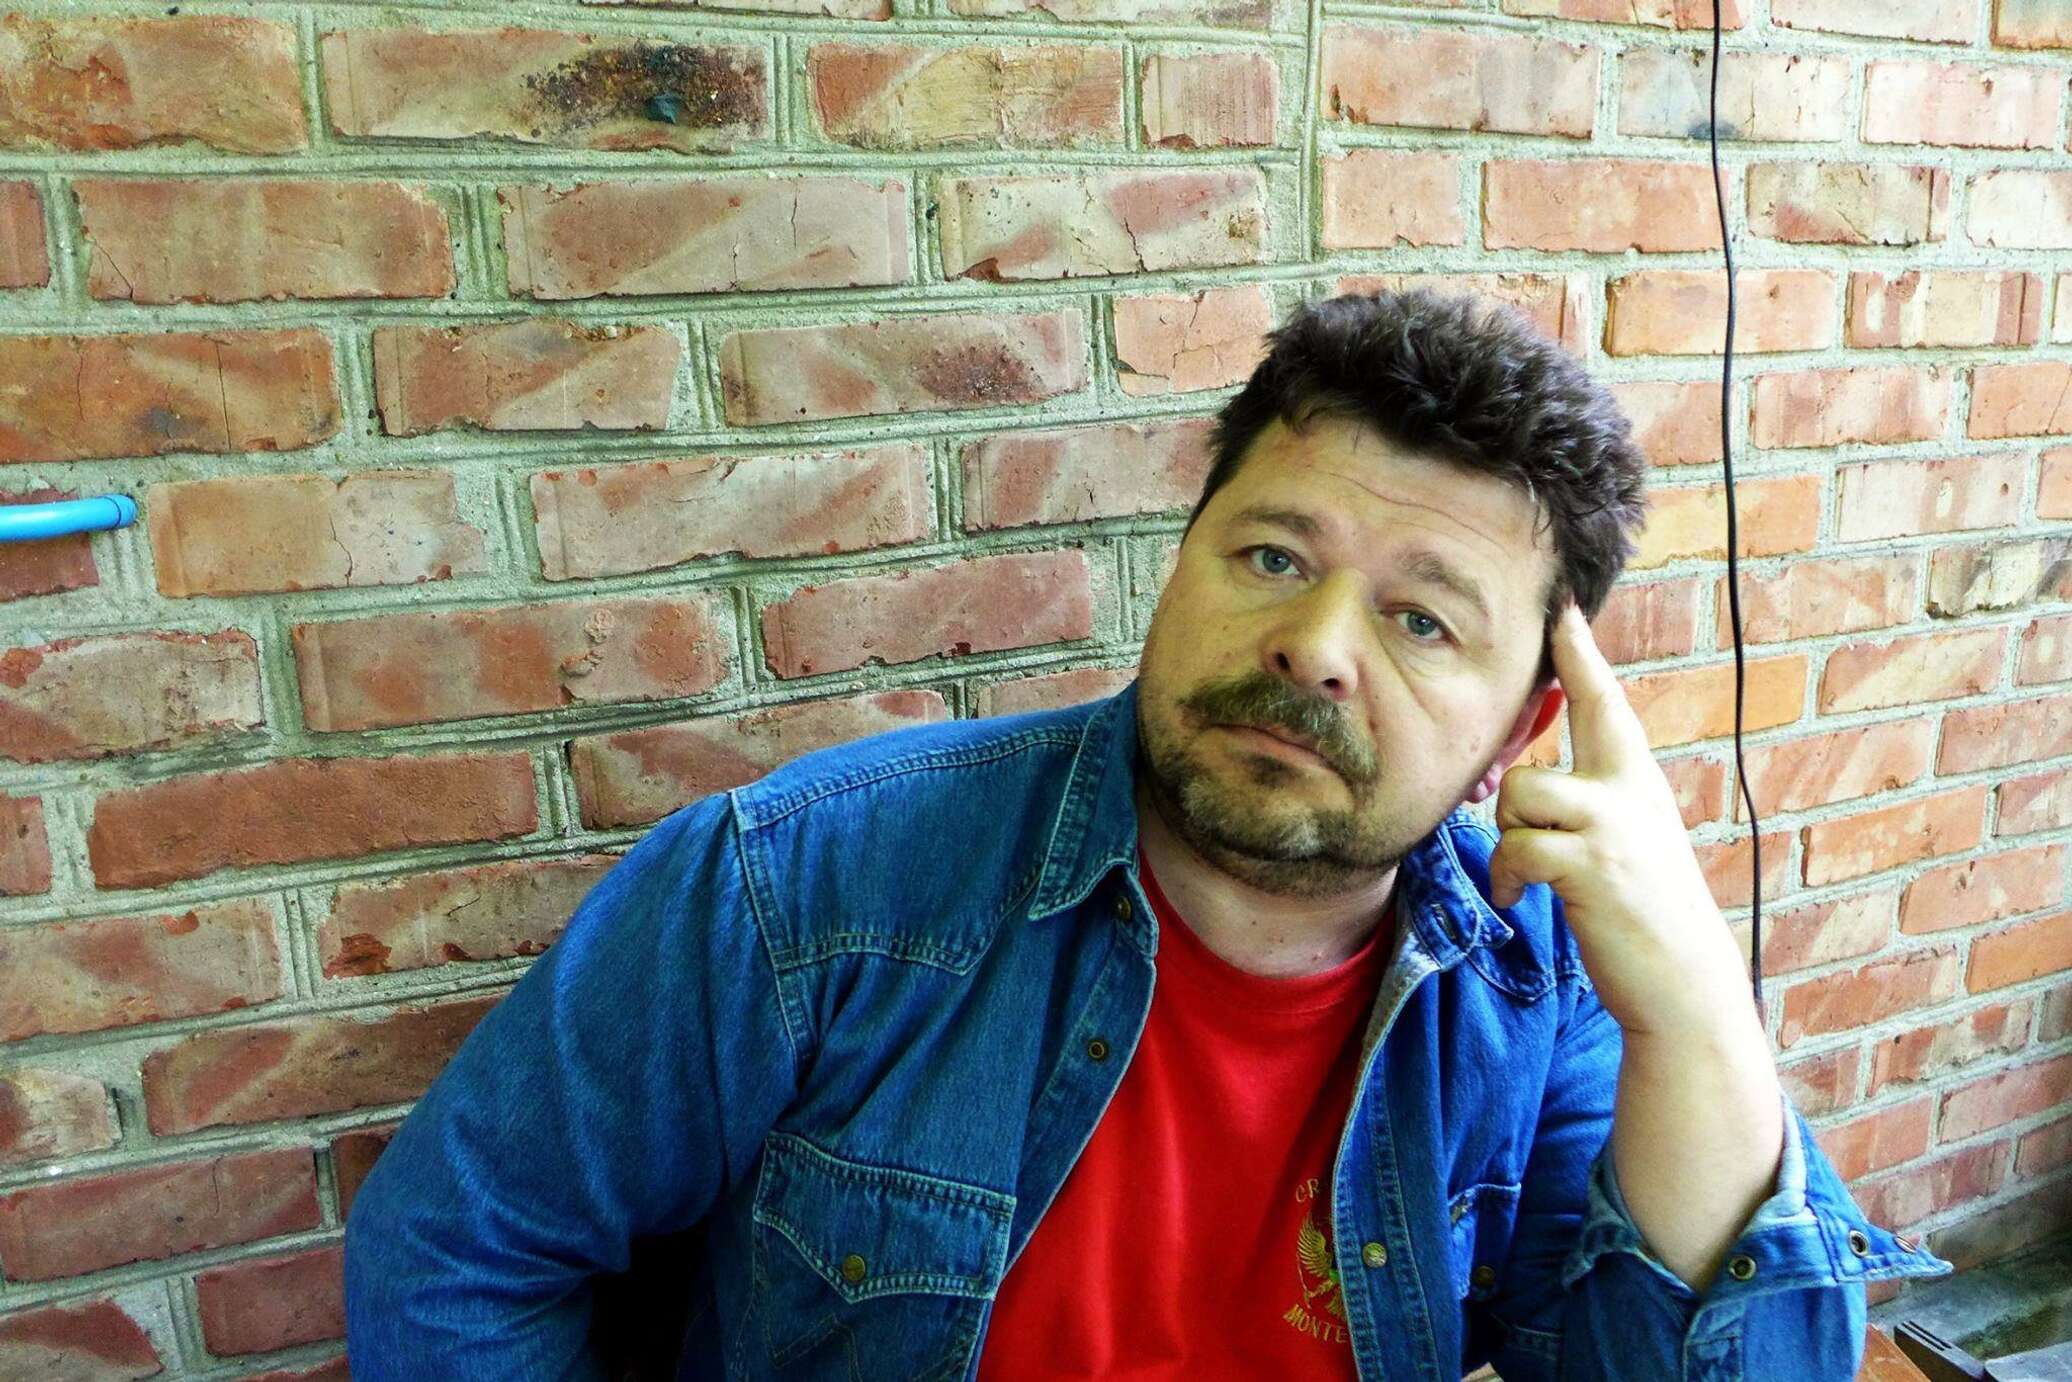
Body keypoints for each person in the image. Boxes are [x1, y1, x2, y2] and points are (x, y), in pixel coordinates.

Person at [343, 290, 1951, 1379]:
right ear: (1181, 565)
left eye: (1422, 619)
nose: (1316, 645)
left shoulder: (1535, 979)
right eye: (1271, 556)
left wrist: (1700, 1017)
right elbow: (459, 1250)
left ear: (1521, 733)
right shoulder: (804, 885)